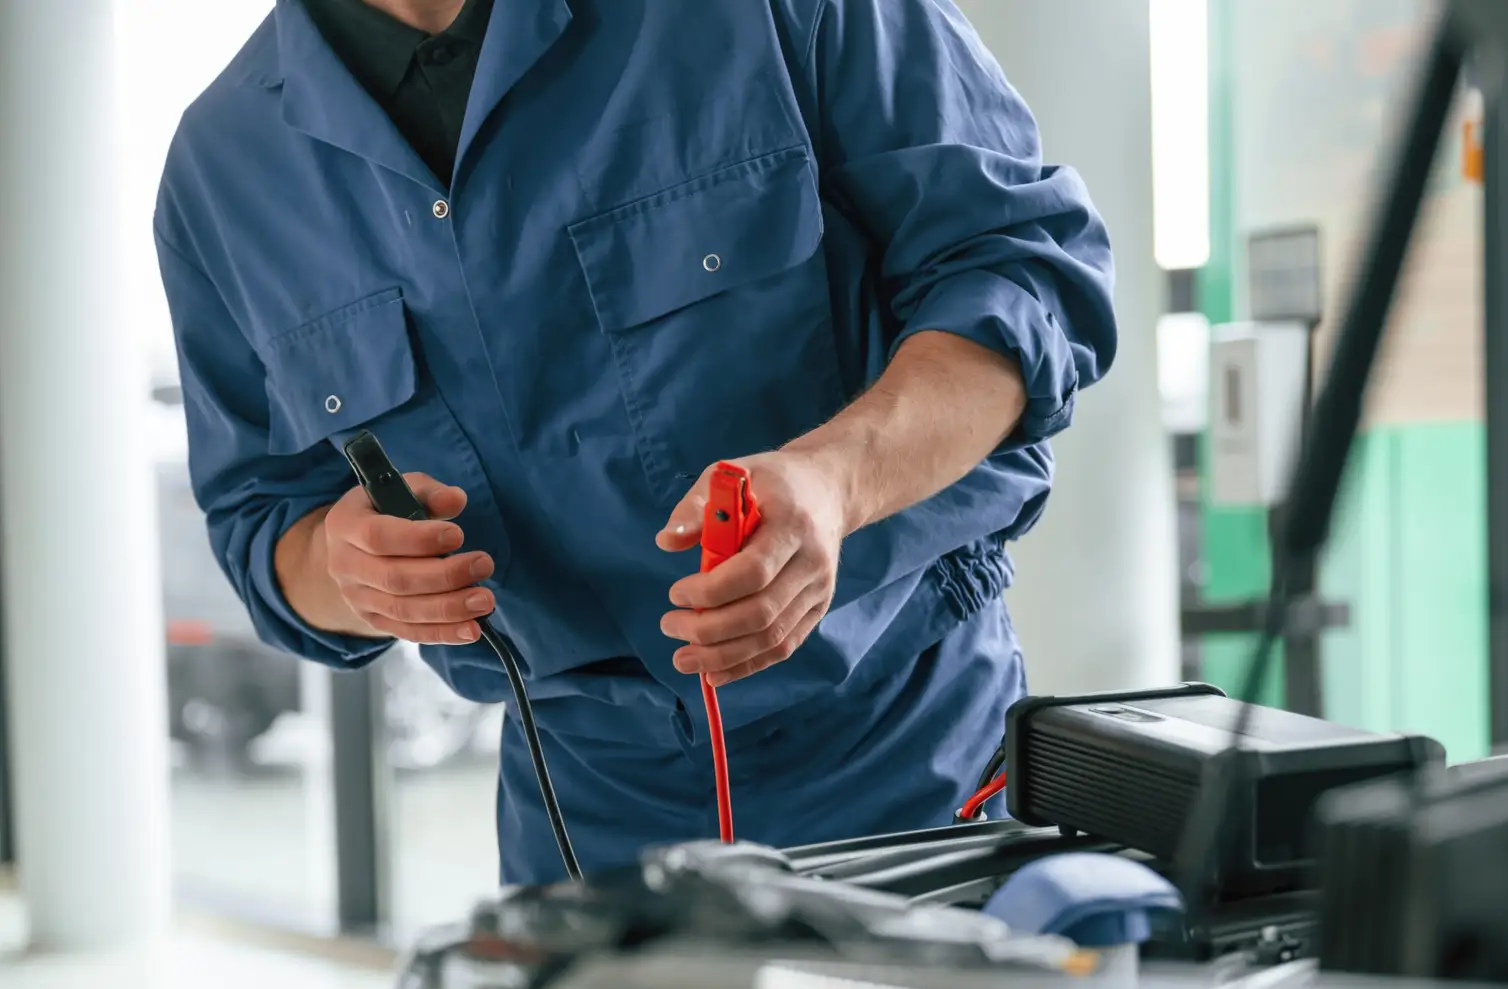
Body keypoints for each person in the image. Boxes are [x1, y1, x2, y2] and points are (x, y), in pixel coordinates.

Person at [155, 0, 1116, 884]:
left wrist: (835, 482)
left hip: (910, 763)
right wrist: (341, 565)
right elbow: (259, 517)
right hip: (580, 825)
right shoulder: (222, 170)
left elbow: (1022, 275)